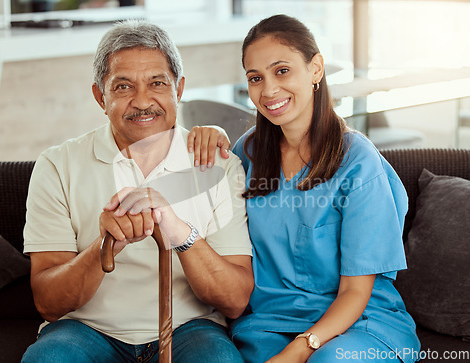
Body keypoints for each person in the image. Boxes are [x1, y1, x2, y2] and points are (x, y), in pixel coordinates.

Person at [188, 14, 421, 363]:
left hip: (358, 323)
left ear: (315, 70)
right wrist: (211, 136)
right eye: (256, 78)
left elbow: (356, 291)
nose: (268, 90)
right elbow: (194, 204)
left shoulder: (358, 162)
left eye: (282, 71)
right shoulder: (246, 154)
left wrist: (301, 349)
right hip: (268, 325)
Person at [21, 20, 253, 363]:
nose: (142, 101)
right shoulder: (57, 165)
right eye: (123, 87)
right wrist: (104, 248)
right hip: (84, 331)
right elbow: (48, 303)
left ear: (179, 88)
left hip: (190, 328)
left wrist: (181, 234)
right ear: (101, 97)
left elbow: (235, 299)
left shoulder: (219, 165)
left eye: (157, 83)